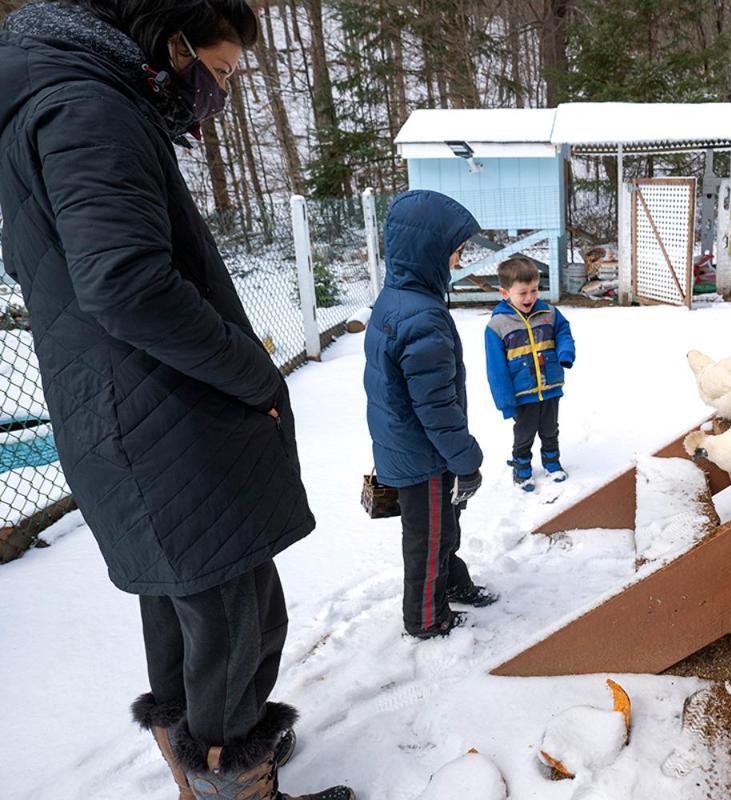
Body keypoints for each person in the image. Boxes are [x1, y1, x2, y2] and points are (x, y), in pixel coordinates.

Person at [0, 2, 353, 798]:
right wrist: (250, 371)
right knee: (238, 620)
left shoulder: (52, 97)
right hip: (165, 420)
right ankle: (236, 775)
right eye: (221, 72)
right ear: (174, 44)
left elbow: (50, 266)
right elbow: (124, 282)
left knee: (182, 604)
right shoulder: (88, 107)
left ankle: (198, 767)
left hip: (122, 413)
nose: (219, 92)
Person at [364, 190, 499, 640]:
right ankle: (424, 617)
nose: (458, 261)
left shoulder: (396, 298)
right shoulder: (421, 317)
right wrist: (467, 460)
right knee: (427, 540)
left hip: (407, 445)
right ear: (429, 252)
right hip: (423, 455)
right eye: (454, 251)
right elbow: (436, 408)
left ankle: (452, 584)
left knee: (444, 525)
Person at [484, 256, 576, 491]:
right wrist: (505, 402)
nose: (530, 297)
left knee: (550, 429)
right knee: (524, 433)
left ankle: (552, 462)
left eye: (534, 290)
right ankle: (521, 468)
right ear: (505, 294)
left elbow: (563, 331)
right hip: (522, 392)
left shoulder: (549, 313)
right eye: (522, 292)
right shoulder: (497, 325)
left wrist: (565, 352)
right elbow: (496, 369)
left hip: (550, 386)